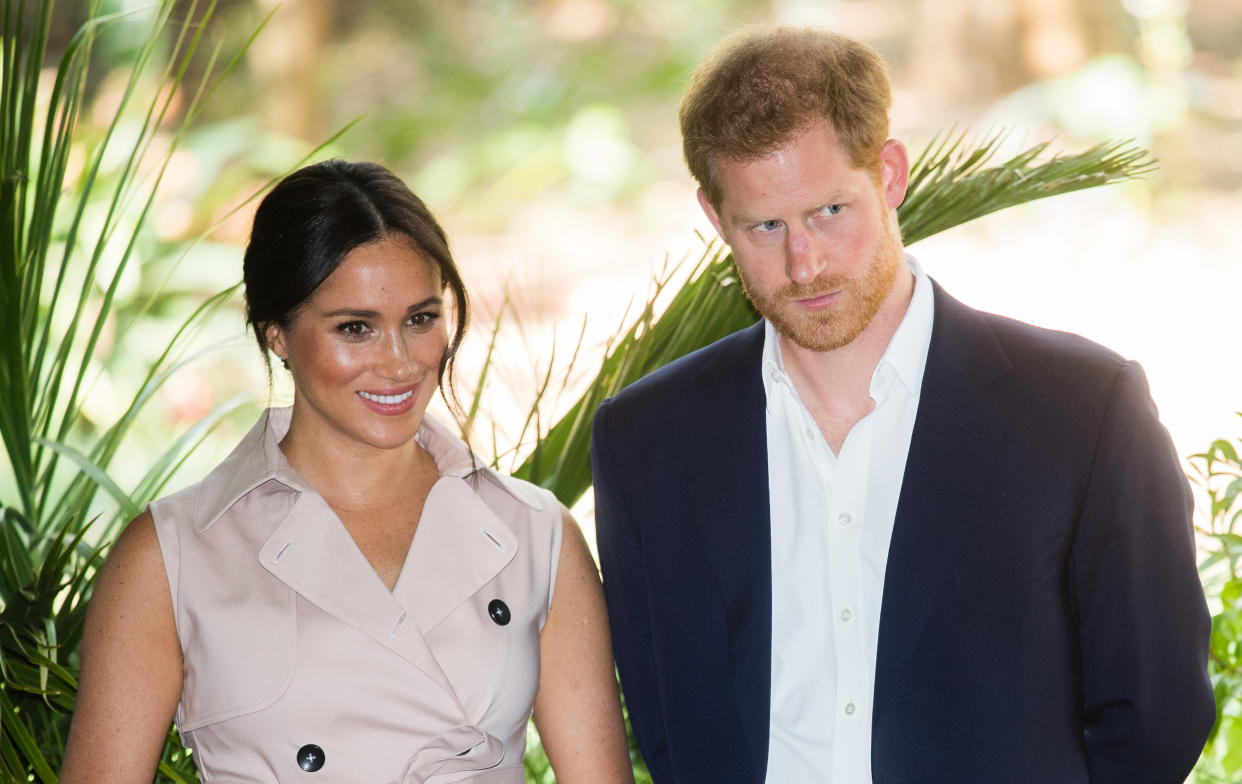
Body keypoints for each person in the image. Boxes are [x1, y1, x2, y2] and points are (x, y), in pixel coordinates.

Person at [590, 26, 1214, 784]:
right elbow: (669, 724)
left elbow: (1157, 714)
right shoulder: (646, 440)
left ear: (888, 174)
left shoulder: (1083, 412)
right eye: (765, 226)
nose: (803, 263)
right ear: (715, 217)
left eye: (829, 211)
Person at [61, 160, 634, 784]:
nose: (399, 364)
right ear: (276, 332)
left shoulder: (535, 535)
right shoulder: (171, 555)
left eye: (420, 319)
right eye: (355, 329)